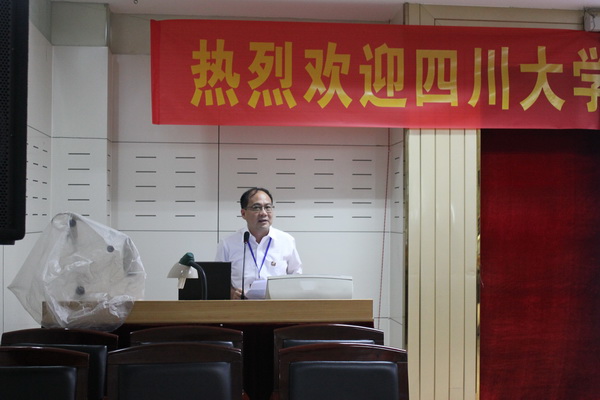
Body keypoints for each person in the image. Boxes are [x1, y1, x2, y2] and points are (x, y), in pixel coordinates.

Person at [215, 187, 302, 299]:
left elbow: (296, 275)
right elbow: (219, 281)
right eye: (256, 208)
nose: (263, 213)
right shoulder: (228, 244)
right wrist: (231, 293)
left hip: (276, 305)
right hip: (241, 305)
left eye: (268, 207)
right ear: (243, 213)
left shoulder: (286, 241)